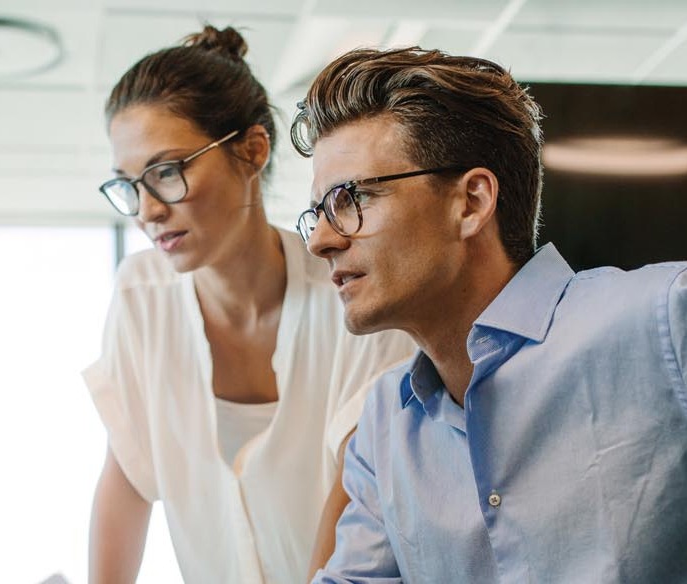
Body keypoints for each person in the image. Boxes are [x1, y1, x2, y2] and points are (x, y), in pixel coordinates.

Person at [291, 46, 687, 583]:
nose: (319, 240)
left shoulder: (662, 319)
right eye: (317, 213)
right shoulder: (385, 423)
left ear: (472, 202)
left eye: (349, 199)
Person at [81, 26, 415, 584]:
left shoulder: (352, 296)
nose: (147, 210)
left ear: (253, 150)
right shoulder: (141, 297)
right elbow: (128, 474)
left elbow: (356, 495)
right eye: (129, 184)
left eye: (166, 172)